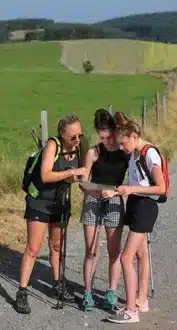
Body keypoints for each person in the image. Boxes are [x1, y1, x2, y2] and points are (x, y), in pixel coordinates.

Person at [15, 115, 87, 314]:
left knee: (56, 246)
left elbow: (77, 176)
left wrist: (79, 177)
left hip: (61, 203)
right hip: (40, 202)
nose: (77, 140)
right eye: (72, 137)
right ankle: (22, 291)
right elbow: (46, 175)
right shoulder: (52, 146)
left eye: (79, 135)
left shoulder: (79, 148)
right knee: (33, 248)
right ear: (62, 134)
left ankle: (58, 285)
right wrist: (69, 174)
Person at [106, 114, 165, 324]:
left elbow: (161, 188)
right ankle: (141, 300)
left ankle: (131, 311)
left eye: (123, 143)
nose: (122, 148)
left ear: (134, 136)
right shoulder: (134, 153)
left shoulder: (150, 154)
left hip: (146, 206)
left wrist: (129, 189)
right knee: (141, 254)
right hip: (135, 203)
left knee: (125, 257)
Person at [79, 109, 129, 311]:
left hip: (115, 201)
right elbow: (83, 181)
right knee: (91, 250)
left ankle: (111, 291)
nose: (106, 141)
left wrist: (116, 193)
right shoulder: (93, 152)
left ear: (113, 131)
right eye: (102, 137)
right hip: (93, 200)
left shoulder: (125, 152)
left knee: (113, 251)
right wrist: (92, 191)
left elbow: (131, 180)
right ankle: (87, 293)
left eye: (108, 136)